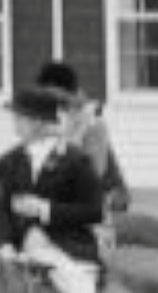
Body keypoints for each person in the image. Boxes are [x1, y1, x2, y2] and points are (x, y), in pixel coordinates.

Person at [0, 82, 137, 293]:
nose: (15, 124)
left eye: (20, 118)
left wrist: (45, 210)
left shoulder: (75, 160)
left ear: (39, 123)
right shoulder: (9, 162)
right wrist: (2, 242)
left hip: (66, 249)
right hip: (19, 251)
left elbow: (94, 210)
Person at [34, 59, 133, 215]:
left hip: (107, 198)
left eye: (51, 95)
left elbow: (94, 173)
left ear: (66, 92)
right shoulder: (48, 120)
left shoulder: (92, 123)